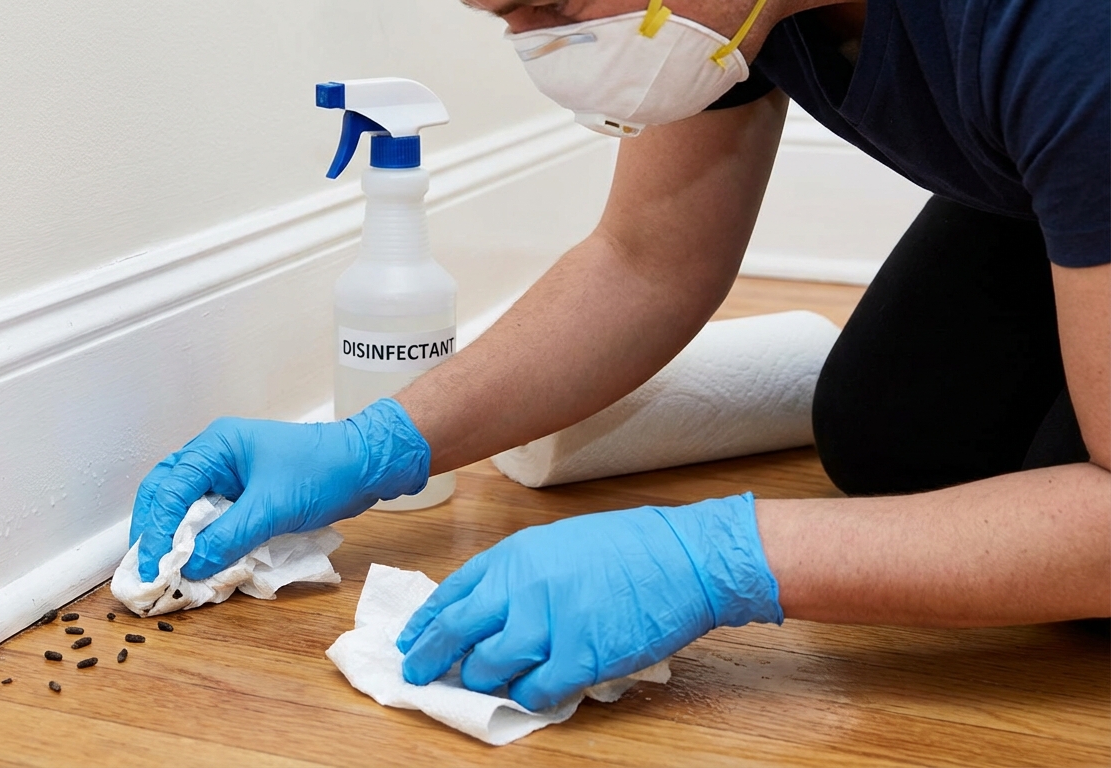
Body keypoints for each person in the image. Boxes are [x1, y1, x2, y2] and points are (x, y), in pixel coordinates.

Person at [128, 0, 1109, 712]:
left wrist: (717, 560)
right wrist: (378, 441)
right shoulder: (738, 18)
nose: (545, 45)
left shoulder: (1066, 34)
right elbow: (646, 259)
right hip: (1055, 167)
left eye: (554, 6)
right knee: (896, 436)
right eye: (507, 17)